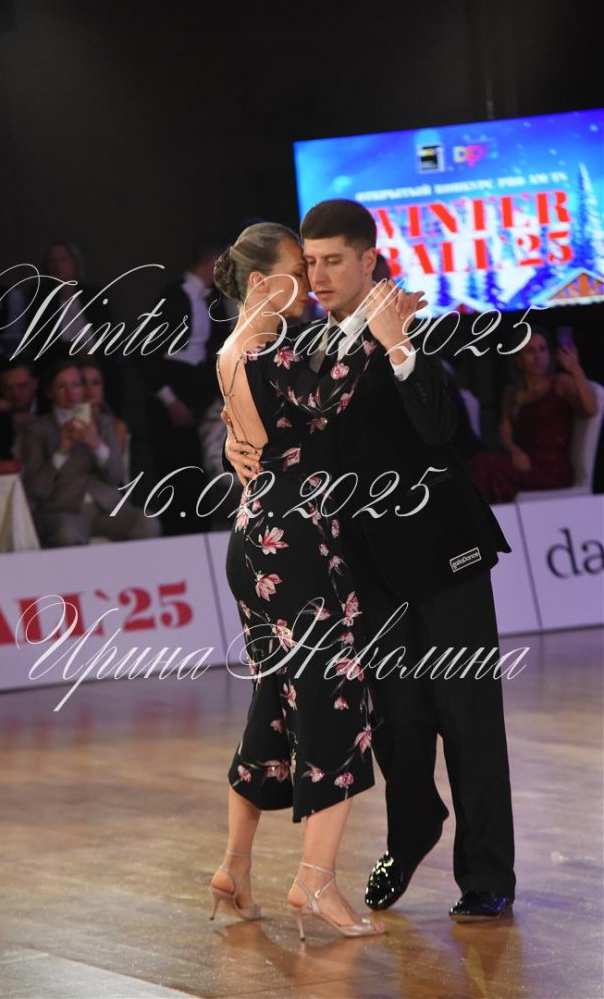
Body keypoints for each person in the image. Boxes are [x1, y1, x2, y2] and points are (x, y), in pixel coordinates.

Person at [226, 199, 516, 923]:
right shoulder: (301, 345)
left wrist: (399, 346)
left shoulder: (409, 325)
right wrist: (235, 448)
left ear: (368, 262)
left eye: (332, 261)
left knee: (468, 718)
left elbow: (443, 429)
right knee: (394, 723)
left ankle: (486, 875)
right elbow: (278, 428)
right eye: (309, 262)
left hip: (443, 557)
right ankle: (413, 829)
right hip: (360, 567)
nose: (319, 276)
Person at [209, 221, 421, 941]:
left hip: (252, 539)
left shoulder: (233, 349)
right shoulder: (272, 347)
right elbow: (328, 388)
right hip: (295, 546)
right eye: (298, 271)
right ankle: (317, 880)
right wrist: (383, 328)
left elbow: (273, 417)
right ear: (262, 282)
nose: (310, 283)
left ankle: (235, 869)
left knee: (273, 700)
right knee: (337, 703)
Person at [135, 237, 232, 535]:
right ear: (211, 263)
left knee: (198, 470)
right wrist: (170, 400)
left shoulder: (212, 300)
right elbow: (143, 353)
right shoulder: (172, 297)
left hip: (198, 394)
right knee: (174, 470)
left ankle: (200, 530)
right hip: (170, 396)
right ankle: (177, 534)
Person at [19, 359, 157, 547]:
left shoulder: (103, 423)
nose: (70, 393)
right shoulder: (38, 430)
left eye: (75, 385)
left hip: (107, 509)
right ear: (49, 392)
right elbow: (37, 489)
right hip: (64, 510)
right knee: (67, 534)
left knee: (146, 521)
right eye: (61, 386)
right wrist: (62, 450)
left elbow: (117, 476)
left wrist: (96, 444)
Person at [467, 329, 597, 502]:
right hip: (525, 462)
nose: (538, 357)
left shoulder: (560, 383)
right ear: (519, 360)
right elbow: (504, 433)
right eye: (530, 351)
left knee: (483, 465)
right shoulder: (511, 393)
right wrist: (515, 452)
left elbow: (590, 409)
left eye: (542, 349)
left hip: (552, 468)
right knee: (478, 464)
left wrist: (575, 369)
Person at [78, 359, 128, 454]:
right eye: (83, 382)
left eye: (95, 383)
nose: (89, 388)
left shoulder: (117, 426)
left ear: (103, 387)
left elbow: (115, 462)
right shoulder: (65, 423)